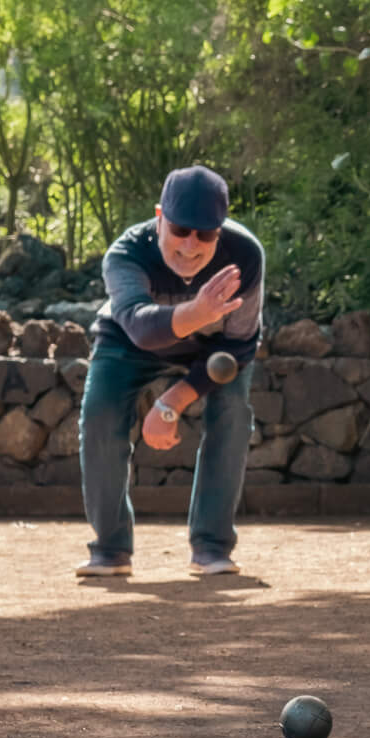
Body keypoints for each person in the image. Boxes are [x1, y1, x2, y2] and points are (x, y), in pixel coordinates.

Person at [76, 165, 264, 578]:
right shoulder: (126, 253)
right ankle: (110, 548)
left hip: (213, 350)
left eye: (206, 234)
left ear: (221, 229)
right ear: (160, 217)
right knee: (100, 414)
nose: (191, 245)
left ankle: (212, 546)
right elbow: (142, 328)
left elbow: (240, 346)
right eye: (180, 230)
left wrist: (173, 400)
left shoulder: (245, 256)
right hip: (128, 340)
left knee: (232, 414)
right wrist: (198, 311)